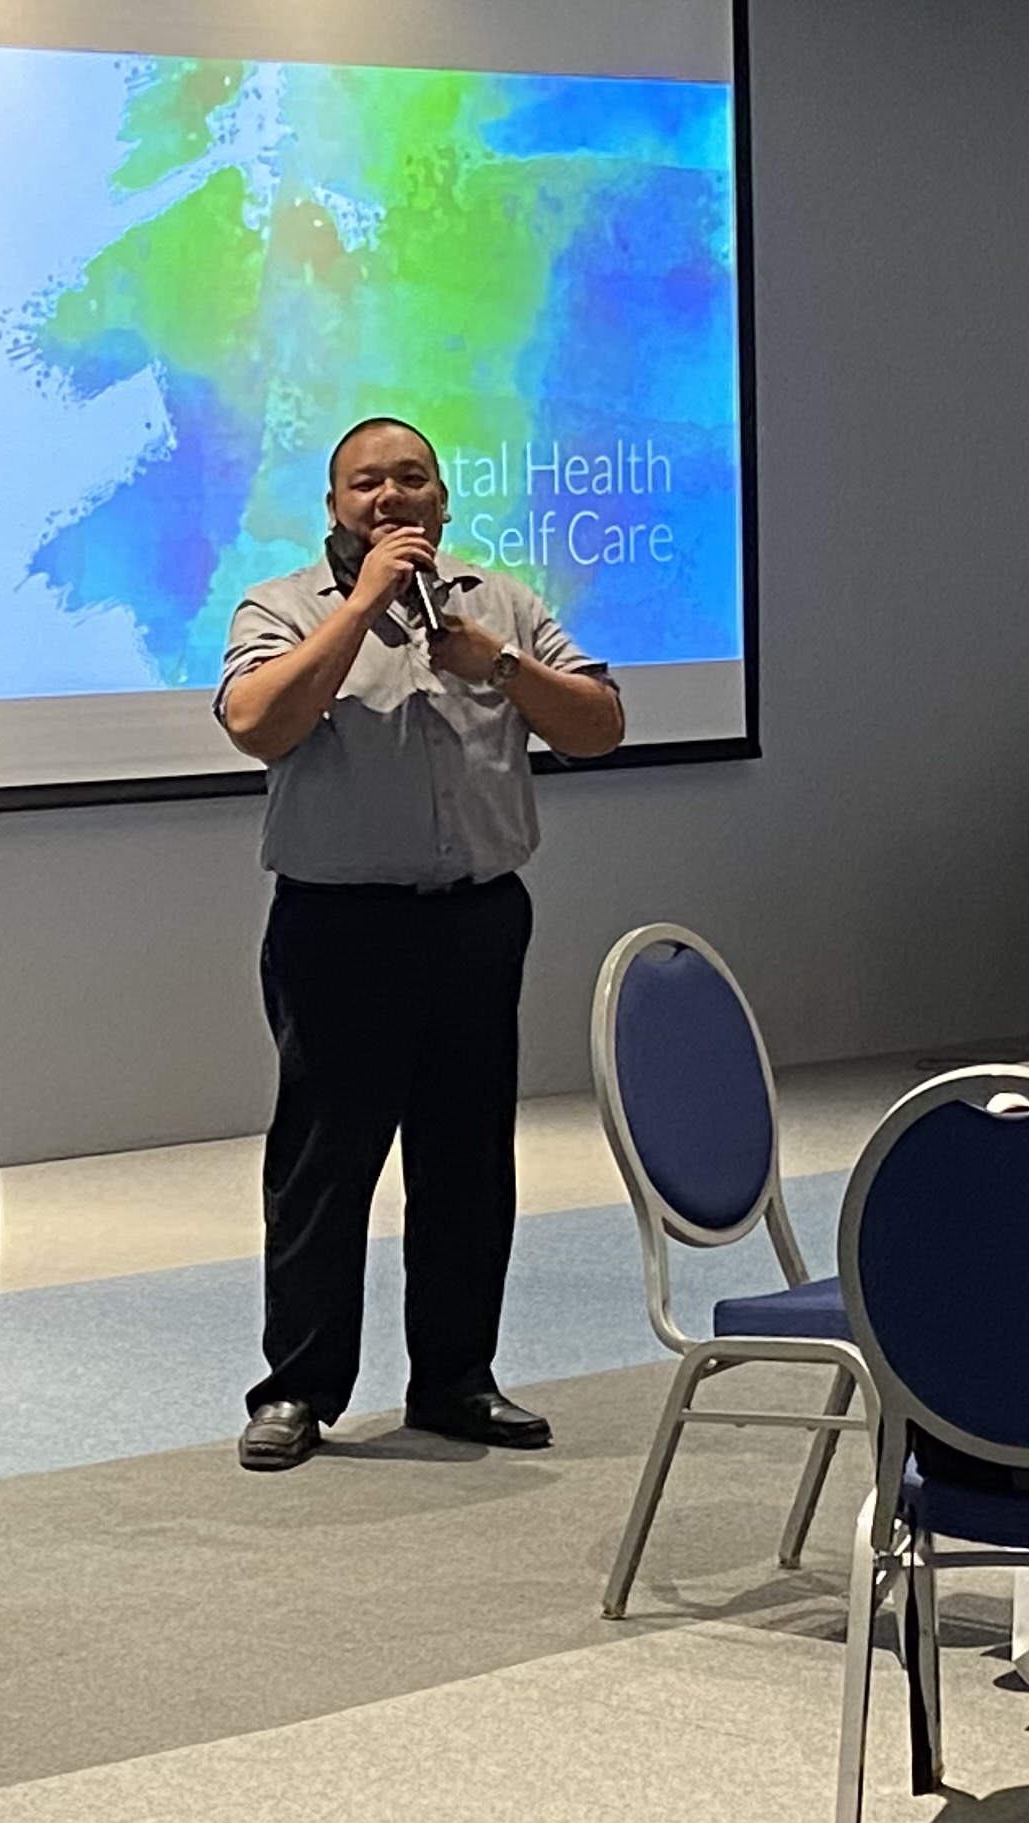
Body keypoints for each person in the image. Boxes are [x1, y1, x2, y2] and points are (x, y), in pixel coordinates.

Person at [214, 415, 625, 1473]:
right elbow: (257, 723)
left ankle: (454, 1379)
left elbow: (599, 726)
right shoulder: (282, 607)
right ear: (335, 507)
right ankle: (298, 1388)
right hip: (338, 925)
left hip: (476, 918)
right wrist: (358, 611)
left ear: (445, 499)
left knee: (468, 1160)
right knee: (325, 1160)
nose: (390, 498)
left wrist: (503, 671)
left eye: (412, 480)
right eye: (366, 485)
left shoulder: (504, 607)